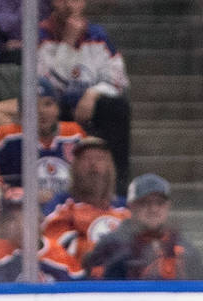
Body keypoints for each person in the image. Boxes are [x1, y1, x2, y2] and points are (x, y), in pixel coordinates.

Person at [38, 0, 130, 184]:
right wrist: (68, 43)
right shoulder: (40, 35)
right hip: (56, 107)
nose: (69, 5)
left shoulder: (98, 36)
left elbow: (119, 81)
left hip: (90, 108)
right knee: (48, 106)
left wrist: (92, 94)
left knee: (117, 107)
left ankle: (117, 186)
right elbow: (47, 84)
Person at [84, 173, 203, 280]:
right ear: (131, 207)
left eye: (159, 203)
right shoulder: (111, 245)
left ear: (168, 207)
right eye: (145, 203)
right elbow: (95, 293)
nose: (153, 209)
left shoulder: (183, 245)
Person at [41, 136, 127, 263]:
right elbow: (51, 247)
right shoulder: (60, 205)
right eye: (86, 158)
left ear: (110, 167)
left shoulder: (125, 208)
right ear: (74, 167)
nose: (93, 164)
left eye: (100, 158)